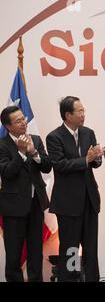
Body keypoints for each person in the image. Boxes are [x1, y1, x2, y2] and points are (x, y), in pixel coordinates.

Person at [46, 96, 105, 282]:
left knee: (91, 248)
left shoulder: (88, 132)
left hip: (89, 200)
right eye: (79, 111)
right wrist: (86, 160)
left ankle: (92, 279)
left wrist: (96, 158)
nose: (83, 114)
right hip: (68, 203)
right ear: (67, 115)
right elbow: (60, 165)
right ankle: (70, 279)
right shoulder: (54, 137)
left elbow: (95, 164)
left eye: (84, 111)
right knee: (70, 249)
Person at [0, 106, 52, 282]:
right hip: (13, 208)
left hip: (36, 204)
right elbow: (7, 172)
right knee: (14, 253)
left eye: (24, 118)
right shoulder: (2, 145)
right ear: (8, 126)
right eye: (18, 121)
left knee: (36, 250)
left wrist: (33, 152)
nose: (24, 122)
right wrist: (21, 152)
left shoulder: (35, 140)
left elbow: (47, 166)